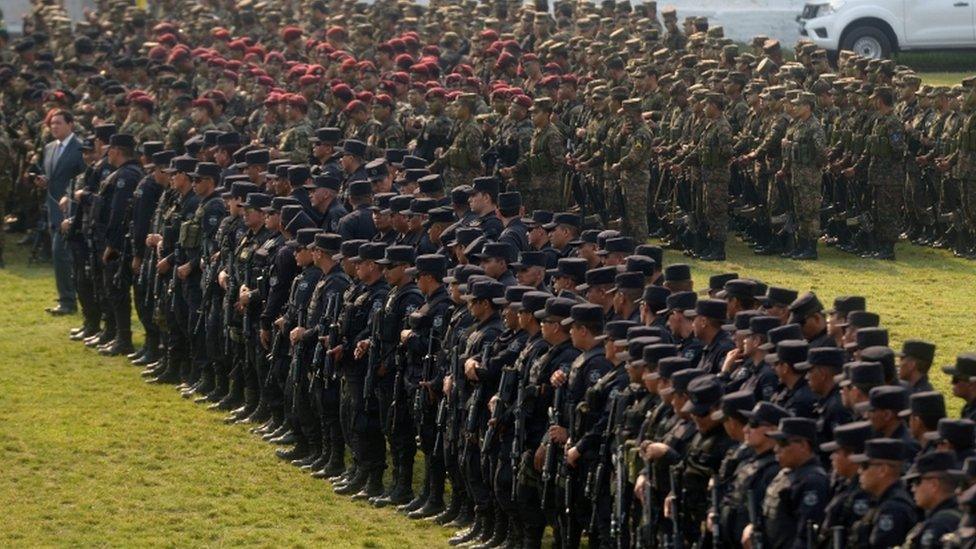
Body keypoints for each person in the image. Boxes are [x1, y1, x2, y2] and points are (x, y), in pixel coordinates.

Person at [38, 110, 86, 315]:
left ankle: (69, 301)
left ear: (70, 124)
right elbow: (53, 177)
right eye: (51, 124)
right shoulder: (49, 148)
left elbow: (86, 177)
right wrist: (42, 181)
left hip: (73, 209)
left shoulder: (81, 147)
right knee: (60, 256)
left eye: (58, 123)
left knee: (63, 254)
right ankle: (67, 298)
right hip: (53, 208)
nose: (54, 127)